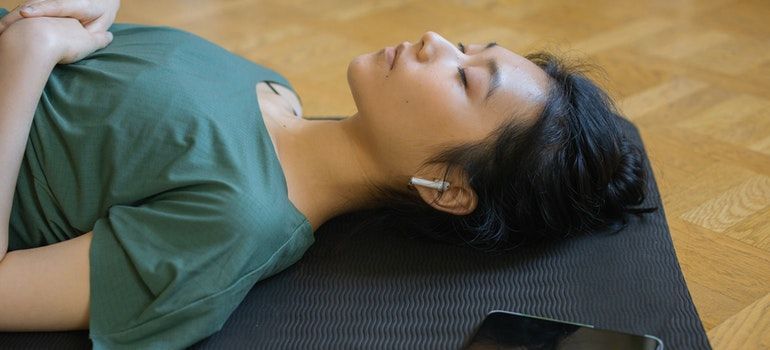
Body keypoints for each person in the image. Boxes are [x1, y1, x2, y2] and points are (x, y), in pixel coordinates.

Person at [0, 0, 657, 348]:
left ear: (451, 188)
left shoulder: (234, 225)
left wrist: (27, 56)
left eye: (464, 77)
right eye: (468, 45)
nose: (434, 38)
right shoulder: (273, 90)